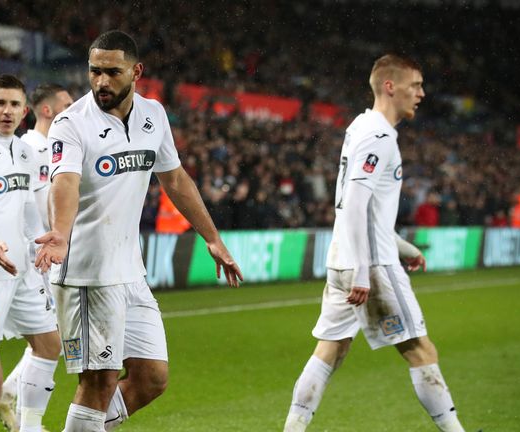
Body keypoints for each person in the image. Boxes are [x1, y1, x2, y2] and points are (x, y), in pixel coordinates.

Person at [34, 30, 244, 432]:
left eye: (112, 72)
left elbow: (176, 179)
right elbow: (65, 183)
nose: (101, 82)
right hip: (86, 273)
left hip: (130, 271)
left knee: (151, 377)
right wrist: (60, 232)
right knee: (99, 382)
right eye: (95, 71)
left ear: (137, 71)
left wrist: (212, 237)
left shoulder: (154, 115)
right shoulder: (71, 123)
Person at [283, 54, 465, 432]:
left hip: (343, 260)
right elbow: (353, 204)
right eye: (415, 85)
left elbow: (365, 212)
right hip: (371, 265)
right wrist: (365, 271)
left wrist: (404, 247)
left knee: (330, 350)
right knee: (420, 350)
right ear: (390, 86)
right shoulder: (379, 136)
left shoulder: (360, 126)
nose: (422, 94)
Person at [0, 74, 62, 432]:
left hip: (23, 270)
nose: (7, 111)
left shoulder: (25, 151)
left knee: (49, 344)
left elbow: (28, 210)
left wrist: (41, 246)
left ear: (24, 111)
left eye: (13, 105)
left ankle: (30, 426)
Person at [21, 83, 74, 230]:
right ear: (47, 110)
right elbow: (35, 207)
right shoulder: (27, 150)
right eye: (67, 106)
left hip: (62, 244)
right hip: (37, 247)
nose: (74, 112)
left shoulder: (65, 149)